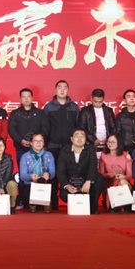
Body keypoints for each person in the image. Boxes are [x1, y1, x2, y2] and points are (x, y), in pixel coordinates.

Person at [8, 88, 50, 209]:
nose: (26, 99)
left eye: (28, 96)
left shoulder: (40, 113)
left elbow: (45, 128)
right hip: (22, 149)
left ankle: (39, 201)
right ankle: (22, 199)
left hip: (38, 150)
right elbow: (11, 129)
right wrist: (20, 140)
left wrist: (37, 142)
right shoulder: (15, 113)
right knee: (23, 175)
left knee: (39, 174)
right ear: (20, 99)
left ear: (32, 98)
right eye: (24, 97)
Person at [44, 80, 80, 210]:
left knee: (70, 173)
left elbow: (78, 126)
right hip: (53, 145)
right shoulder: (48, 107)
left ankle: (72, 201)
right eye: (60, 87)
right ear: (55, 90)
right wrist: (45, 144)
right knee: (52, 174)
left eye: (65, 87)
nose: (62, 90)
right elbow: (45, 127)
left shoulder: (74, 107)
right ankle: (52, 202)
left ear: (68, 90)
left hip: (70, 147)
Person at [57, 129, 104, 214]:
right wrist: (67, 185)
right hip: (71, 182)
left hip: (86, 181)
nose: (79, 138)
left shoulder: (90, 149)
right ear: (71, 138)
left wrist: (88, 181)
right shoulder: (64, 151)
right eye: (77, 136)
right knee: (64, 195)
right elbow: (60, 172)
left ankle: (93, 207)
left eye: (82, 136)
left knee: (99, 178)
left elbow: (93, 167)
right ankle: (77, 205)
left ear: (85, 139)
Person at [19, 133, 56, 213]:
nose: (38, 143)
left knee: (46, 181)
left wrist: (48, 174)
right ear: (31, 143)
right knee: (30, 186)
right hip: (31, 183)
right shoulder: (25, 156)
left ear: (44, 143)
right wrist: (30, 176)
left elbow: (53, 172)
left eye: (41, 141)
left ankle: (47, 203)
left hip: (45, 182)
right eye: (35, 141)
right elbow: (22, 176)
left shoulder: (49, 155)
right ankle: (32, 204)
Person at [98, 133, 133, 212]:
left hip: (123, 181)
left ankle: (124, 205)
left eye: (113, 142)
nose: (110, 144)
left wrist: (123, 177)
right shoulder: (104, 156)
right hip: (110, 183)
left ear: (119, 142)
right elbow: (101, 174)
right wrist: (112, 175)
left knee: (122, 181)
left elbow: (130, 174)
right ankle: (120, 205)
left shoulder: (126, 155)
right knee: (120, 182)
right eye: (108, 142)